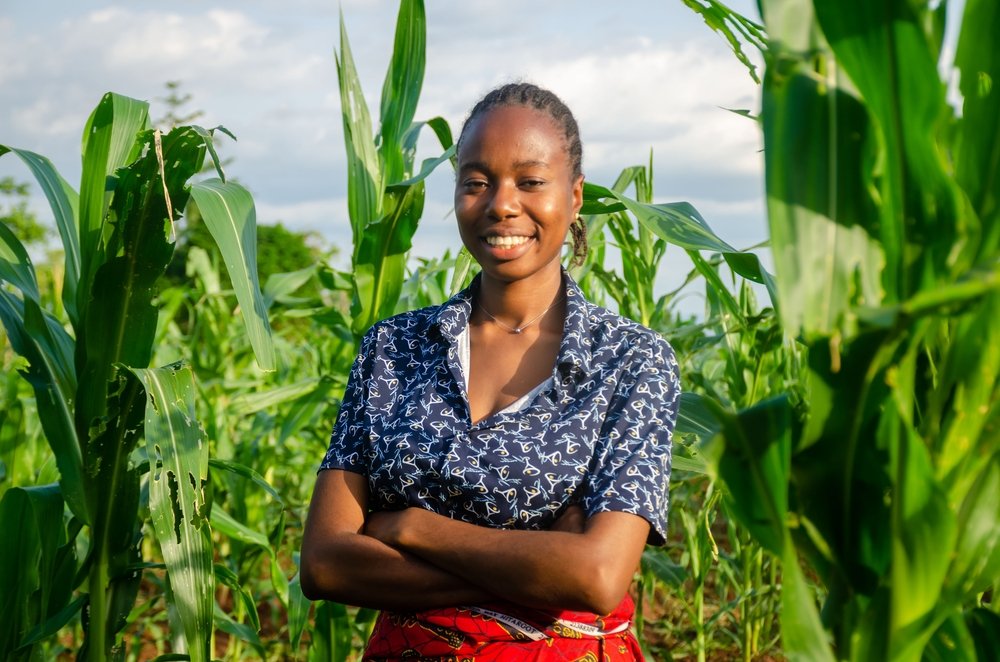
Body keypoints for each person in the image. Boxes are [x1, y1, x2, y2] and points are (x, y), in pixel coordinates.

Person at [301, 82, 681, 661]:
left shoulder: (630, 361)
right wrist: (540, 565)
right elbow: (325, 564)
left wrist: (409, 529)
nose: (501, 204)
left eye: (530, 182)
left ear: (574, 197)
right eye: (476, 182)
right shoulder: (394, 349)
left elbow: (599, 577)